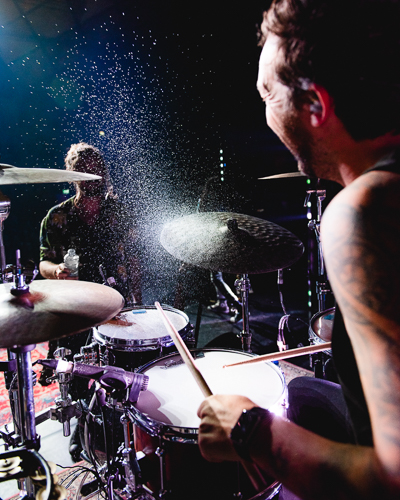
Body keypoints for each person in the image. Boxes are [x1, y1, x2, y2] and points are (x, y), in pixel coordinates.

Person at [197, 1, 400, 499]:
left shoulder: (365, 210)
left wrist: (251, 430)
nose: (265, 113)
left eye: (268, 93)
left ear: (314, 104)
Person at [39, 142, 142, 460]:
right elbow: (43, 262)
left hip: (117, 304)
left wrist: (137, 299)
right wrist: (55, 270)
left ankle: (124, 433)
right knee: (79, 376)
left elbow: (136, 258)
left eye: (98, 167)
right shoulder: (57, 218)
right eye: (86, 169)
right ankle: (83, 428)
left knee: (120, 374)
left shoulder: (119, 212)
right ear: (73, 175)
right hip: (77, 308)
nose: (94, 174)